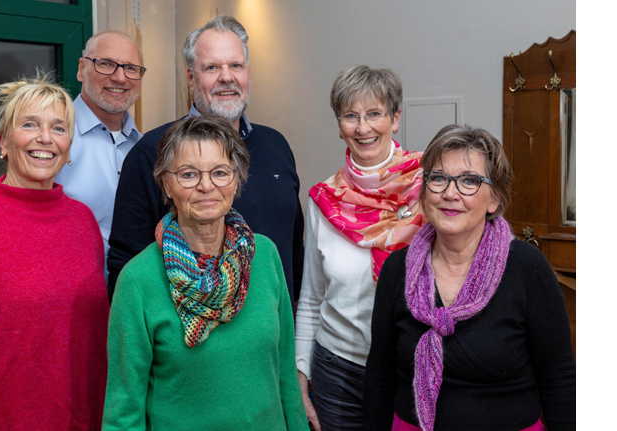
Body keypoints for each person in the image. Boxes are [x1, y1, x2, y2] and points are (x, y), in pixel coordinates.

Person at [102, 115, 308, 431]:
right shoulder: (138, 280)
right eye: (188, 174)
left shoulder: (265, 256)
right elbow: (124, 411)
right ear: (166, 183)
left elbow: (286, 378)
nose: (206, 186)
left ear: (237, 180)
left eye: (220, 172)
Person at [363, 125, 575, 431]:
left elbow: (559, 379)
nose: (450, 193)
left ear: (494, 199)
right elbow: (380, 375)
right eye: (438, 178)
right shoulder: (398, 269)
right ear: (424, 192)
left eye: (469, 181)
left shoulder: (527, 268)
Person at [0, 74, 108, 431]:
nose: (45, 138)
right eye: (29, 124)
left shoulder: (84, 223)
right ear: (3, 141)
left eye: (58, 128)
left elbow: (91, 343)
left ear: (68, 147)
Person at [107, 14, 304, 302]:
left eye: (236, 65)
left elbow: (294, 253)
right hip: (184, 328)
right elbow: (127, 264)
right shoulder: (152, 152)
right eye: (212, 67)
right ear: (191, 78)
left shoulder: (277, 145)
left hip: (270, 325)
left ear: (248, 73)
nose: (227, 77)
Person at [296, 65, 425, 431]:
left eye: (374, 114)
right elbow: (311, 297)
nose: (363, 127)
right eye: (351, 116)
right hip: (338, 369)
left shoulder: (430, 187)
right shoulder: (323, 200)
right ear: (340, 126)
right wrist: (300, 374)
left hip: (410, 366)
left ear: (395, 119)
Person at [54, 30, 145, 281]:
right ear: (81, 69)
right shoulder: (52, 140)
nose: (120, 77)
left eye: (131, 68)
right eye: (106, 64)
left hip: (131, 296)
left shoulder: (148, 149)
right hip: (67, 295)